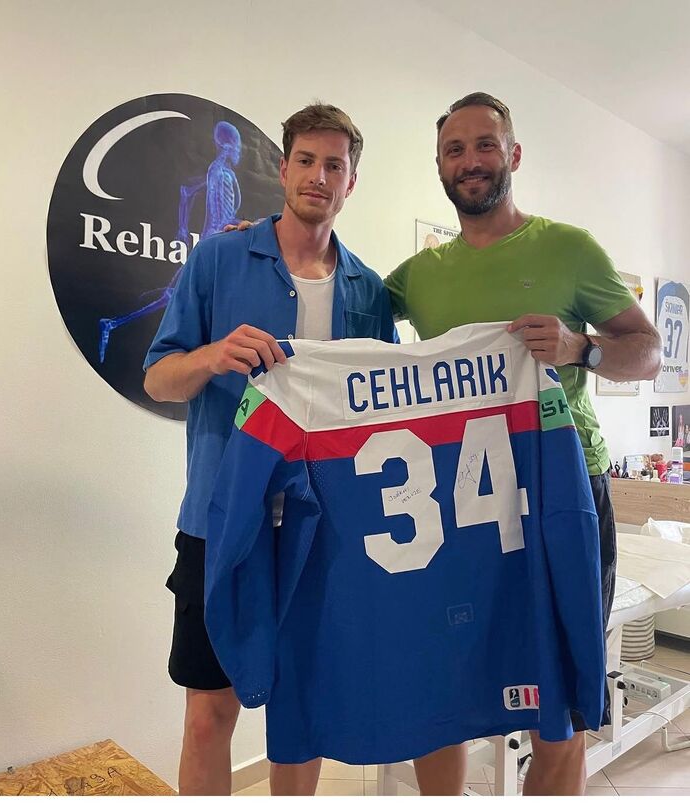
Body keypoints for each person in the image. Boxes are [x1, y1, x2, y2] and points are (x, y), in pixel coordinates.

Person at [384, 91, 662, 795]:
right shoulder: (419, 276)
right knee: (445, 685)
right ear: (440, 166)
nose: (470, 161)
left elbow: (650, 352)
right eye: (454, 150)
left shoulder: (568, 248)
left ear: (513, 154)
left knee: (558, 701)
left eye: (485, 145)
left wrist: (581, 348)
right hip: (460, 496)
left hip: (563, 490)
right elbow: (330, 294)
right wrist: (274, 238)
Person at [143, 102, 398, 796]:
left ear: (351, 181)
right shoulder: (218, 258)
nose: (319, 176)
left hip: (325, 531)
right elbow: (158, 378)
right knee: (208, 717)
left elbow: (383, 412)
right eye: (307, 161)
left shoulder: (369, 292)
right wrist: (212, 355)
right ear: (283, 169)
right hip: (222, 524)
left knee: (302, 713)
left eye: (335, 165)